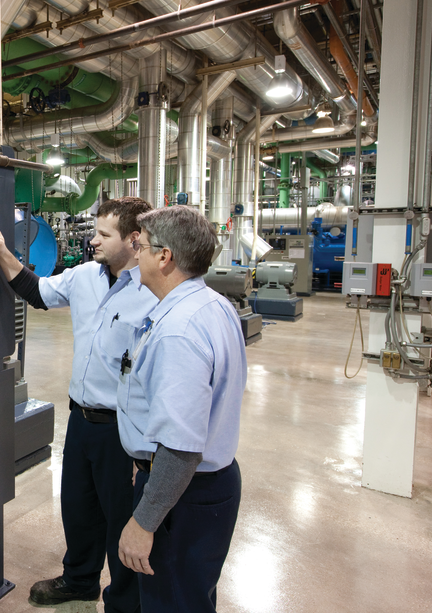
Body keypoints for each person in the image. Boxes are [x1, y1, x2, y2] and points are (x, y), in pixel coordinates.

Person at [0, 197, 158, 613]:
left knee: (122, 520)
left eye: (103, 234)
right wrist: (1, 249)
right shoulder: (83, 277)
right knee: (78, 508)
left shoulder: (154, 292)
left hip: (125, 430)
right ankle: (80, 579)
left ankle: (124, 600)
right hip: (80, 419)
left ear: (135, 239)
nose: (92, 239)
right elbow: (36, 291)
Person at [115, 206, 246, 612]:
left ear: (165, 257)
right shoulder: (213, 305)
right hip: (207, 486)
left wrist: (144, 521)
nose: (136, 255)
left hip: (181, 495)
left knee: (171, 602)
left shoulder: (178, 332)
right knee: (191, 597)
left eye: (142, 246)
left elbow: (181, 446)